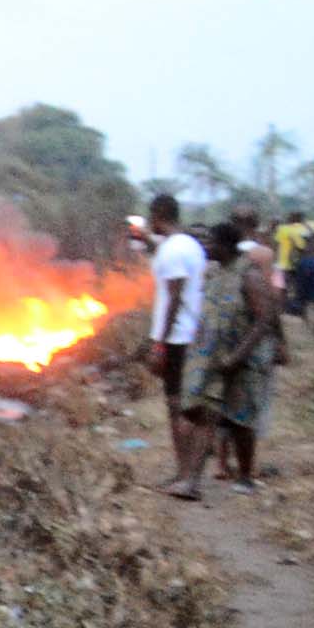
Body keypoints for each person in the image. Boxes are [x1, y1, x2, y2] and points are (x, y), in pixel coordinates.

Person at [172, 225, 278, 498]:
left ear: (226, 245)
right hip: (214, 361)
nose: (206, 246)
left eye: (211, 241)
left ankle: (245, 476)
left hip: (241, 361)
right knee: (206, 414)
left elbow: (265, 319)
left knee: (241, 422)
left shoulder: (249, 276)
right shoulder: (215, 274)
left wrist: (237, 356)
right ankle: (192, 483)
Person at [144, 192, 206, 481]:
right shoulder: (189, 245)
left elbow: (173, 297)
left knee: (176, 406)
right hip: (190, 334)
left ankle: (185, 474)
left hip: (178, 338)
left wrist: (160, 343)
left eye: (150, 217)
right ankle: (185, 472)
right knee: (186, 406)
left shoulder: (172, 251)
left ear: (157, 215)